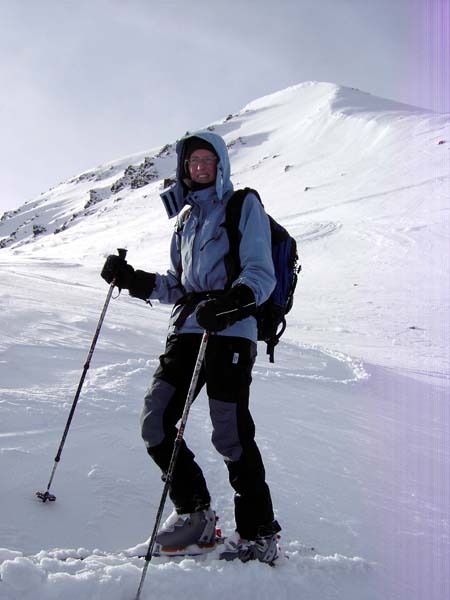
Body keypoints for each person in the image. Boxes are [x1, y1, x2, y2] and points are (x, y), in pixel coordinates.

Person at [101, 131, 281, 563]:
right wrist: (135, 280)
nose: (199, 166)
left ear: (221, 164)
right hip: (187, 331)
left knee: (231, 433)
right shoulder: (184, 220)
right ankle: (196, 514)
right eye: (192, 161)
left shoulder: (243, 206)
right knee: (156, 422)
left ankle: (259, 533)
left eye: (207, 159)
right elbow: (177, 285)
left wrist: (234, 301)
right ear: (184, 169)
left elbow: (261, 271)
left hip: (231, 331)